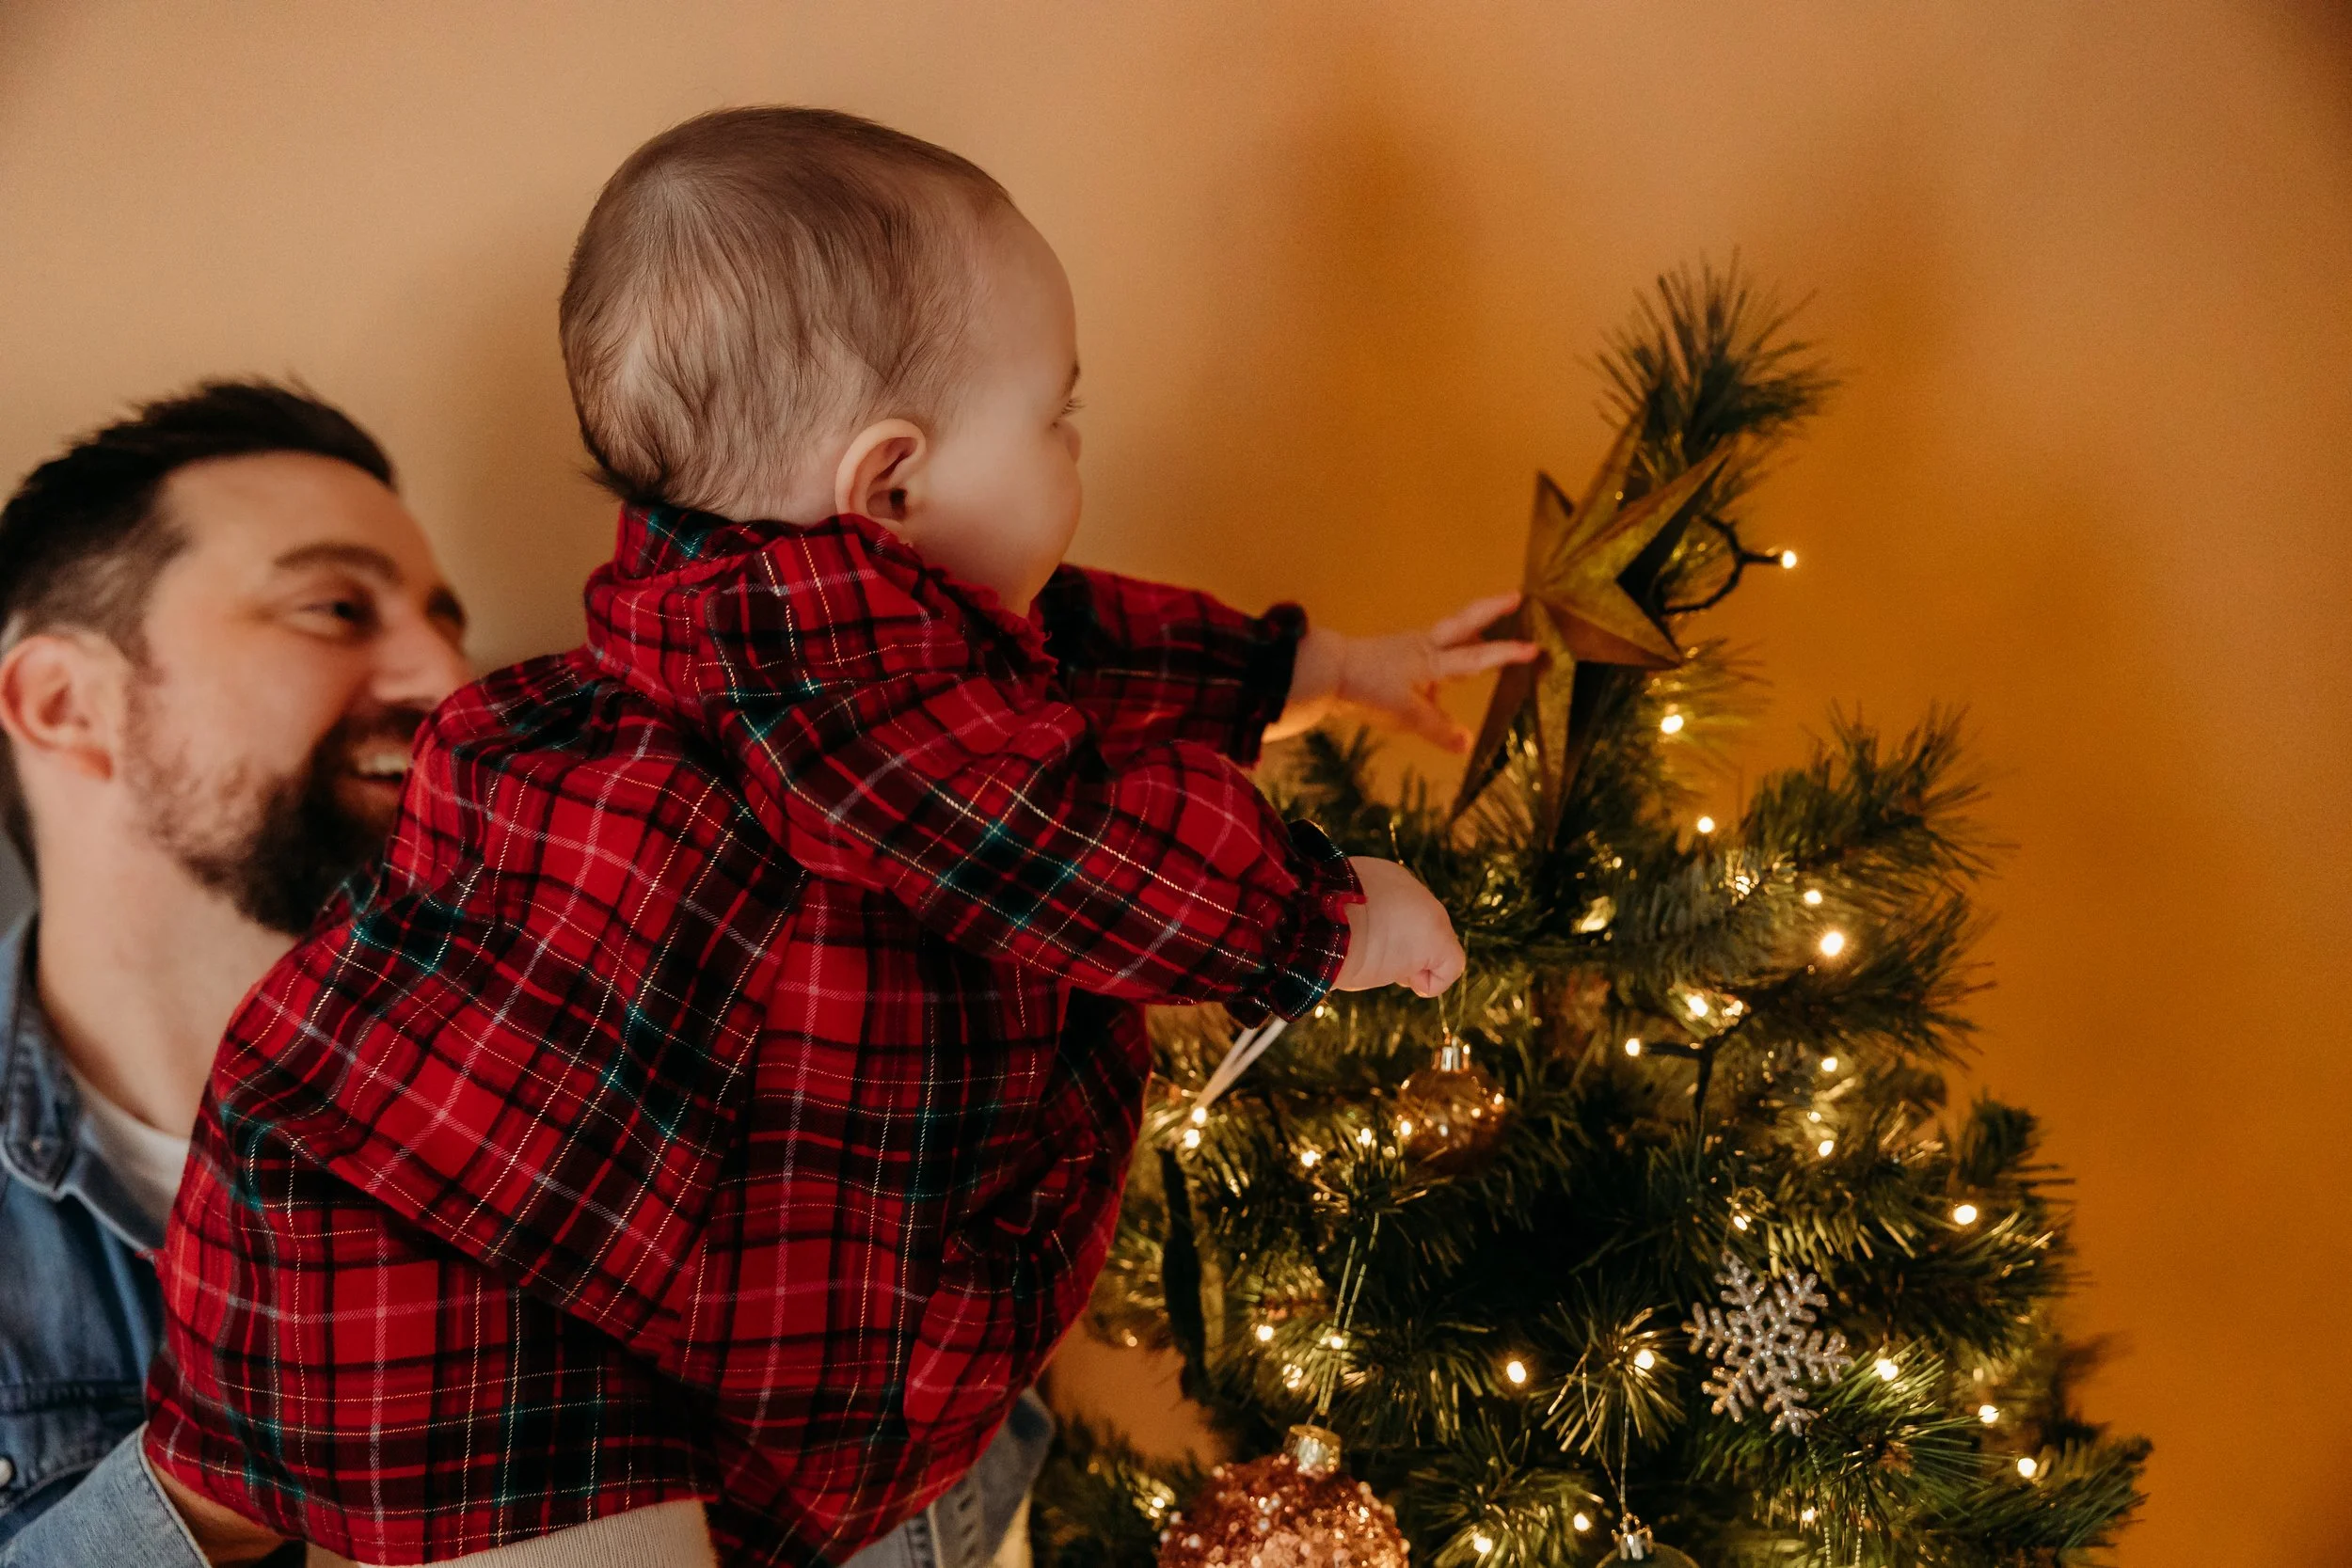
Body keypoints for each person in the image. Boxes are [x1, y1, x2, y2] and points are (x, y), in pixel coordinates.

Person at [145, 108, 1537, 1568]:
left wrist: (1311, 667)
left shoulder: (783, 637)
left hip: (439, 1246)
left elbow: (1059, 656)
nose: (1074, 450)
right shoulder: (846, 692)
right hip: (479, 1321)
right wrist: (1322, 914)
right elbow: (1046, 824)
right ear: (889, 485)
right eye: (1059, 415)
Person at [0, 382, 472, 1560]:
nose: (449, 684)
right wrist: (207, 1493)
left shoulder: (636, 1080)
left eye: (443, 620)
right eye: (333, 606)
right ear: (69, 703)